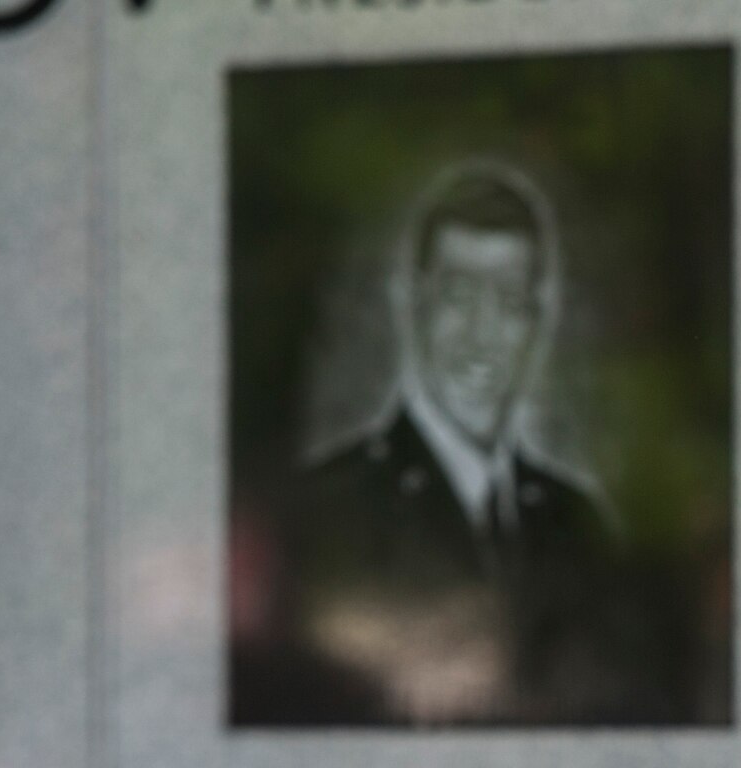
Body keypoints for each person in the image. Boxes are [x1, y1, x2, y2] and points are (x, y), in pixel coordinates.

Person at [231, 161, 624, 726]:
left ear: (535, 319)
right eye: (459, 298)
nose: (481, 334)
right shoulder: (330, 502)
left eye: (507, 302)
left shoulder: (572, 517)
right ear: (414, 302)